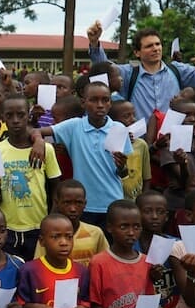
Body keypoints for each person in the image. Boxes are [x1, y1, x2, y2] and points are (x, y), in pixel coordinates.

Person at [86, 23, 195, 121]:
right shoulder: (128, 74)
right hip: (140, 144)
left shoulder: (178, 70)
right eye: (149, 46)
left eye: (158, 44)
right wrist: (94, 43)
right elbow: (104, 69)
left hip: (172, 145)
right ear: (137, 52)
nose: (155, 48)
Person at [86, 200, 162, 308]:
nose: (131, 232)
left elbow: (146, 301)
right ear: (110, 228)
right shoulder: (99, 263)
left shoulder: (146, 263)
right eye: (124, 227)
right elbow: (93, 304)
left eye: (136, 227)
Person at [42, 82, 132, 228]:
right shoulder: (74, 126)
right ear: (83, 103)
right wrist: (40, 143)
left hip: (112, 203)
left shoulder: (118, 128)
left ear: (110, 103)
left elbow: (123, 174)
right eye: (94, 100)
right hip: (82, 205)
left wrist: (122, 167)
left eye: (105, 100)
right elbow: (38, 132)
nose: (100, 105)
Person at [0, 95, 61, 261]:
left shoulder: (46, 150)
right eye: (9, 115)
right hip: (7, 228)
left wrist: (49, 223)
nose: (15, 120)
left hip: (38, 226)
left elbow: (56, 190)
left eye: (21, 114)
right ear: (2, 118)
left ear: (29, 115)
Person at [134, 191, 178, 308]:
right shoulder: (129, 245)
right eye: (148, 211)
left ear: (167, 216)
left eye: (160, 212)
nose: (154, 216)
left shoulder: (176, 245)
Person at [33, 179, 109, 266]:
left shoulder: (96, 233)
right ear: (57, 203)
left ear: (85, 204)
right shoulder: (49, 234)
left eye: (78, 203)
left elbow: (105, 263)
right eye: (67, 203)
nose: (73, 209)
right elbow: (38, 266)